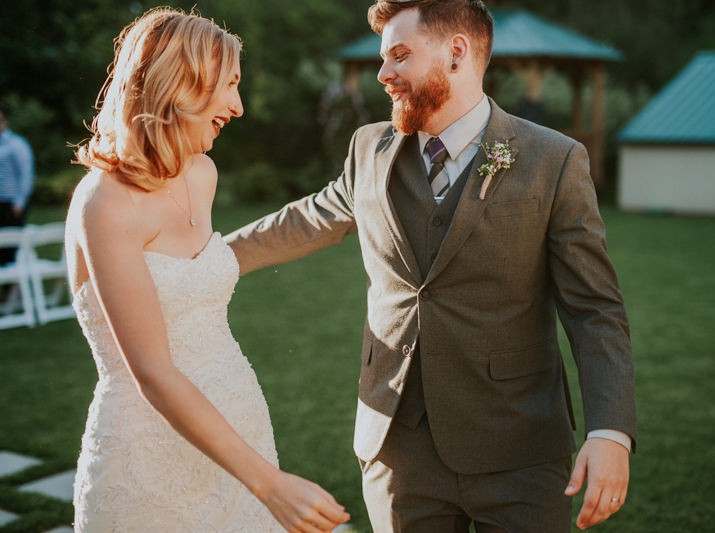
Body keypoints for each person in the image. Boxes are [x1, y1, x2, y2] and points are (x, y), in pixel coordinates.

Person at [226, 0, 636, 531]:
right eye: (381, 57)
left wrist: (610, 431)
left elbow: (594, 308)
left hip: (519, 449)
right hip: (397, 449)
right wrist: (201, 260)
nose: (383, 74)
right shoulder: (367, 147)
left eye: (399, 55)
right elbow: (307, 219)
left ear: (457, 53)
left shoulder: (553, 160)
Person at [65, 8, 349, 532]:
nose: (239, 107)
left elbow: (200, 280)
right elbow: (151, 369)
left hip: (240, 421)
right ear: (180, 84)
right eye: (230, 86)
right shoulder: (104, 203)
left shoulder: (202, 174)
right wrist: (269, 483)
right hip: (147, 459)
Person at [0, 109, 35, 265]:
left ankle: (13, 288)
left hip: (10, 204)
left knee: (10, 249)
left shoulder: (16, 144)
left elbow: (26, 174)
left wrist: (19, 202)